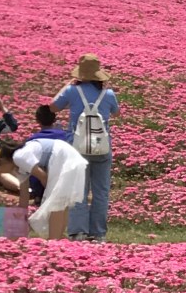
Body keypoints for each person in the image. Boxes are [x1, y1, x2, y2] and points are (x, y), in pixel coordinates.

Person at [53, 55, 120, 242]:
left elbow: (52, 107)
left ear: (80, 73)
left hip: (76, 148)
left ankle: (78, 232)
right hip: (102, 148)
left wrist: (67, 85)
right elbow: (116, 112)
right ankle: (98, 234)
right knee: (101, 191)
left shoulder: (72, 91)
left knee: (78, 190)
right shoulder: (108, 94)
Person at [12, 128, 89, 238]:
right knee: (61, 202)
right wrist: (20, 221)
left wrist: (46, 199)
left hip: (64, 158)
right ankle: (58, 238)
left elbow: (44, 177)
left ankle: (54, 241)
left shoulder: (18, 157)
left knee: (57, 203)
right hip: (65, 157)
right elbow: (24, 195)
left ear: (0, 162)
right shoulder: (19, 166)